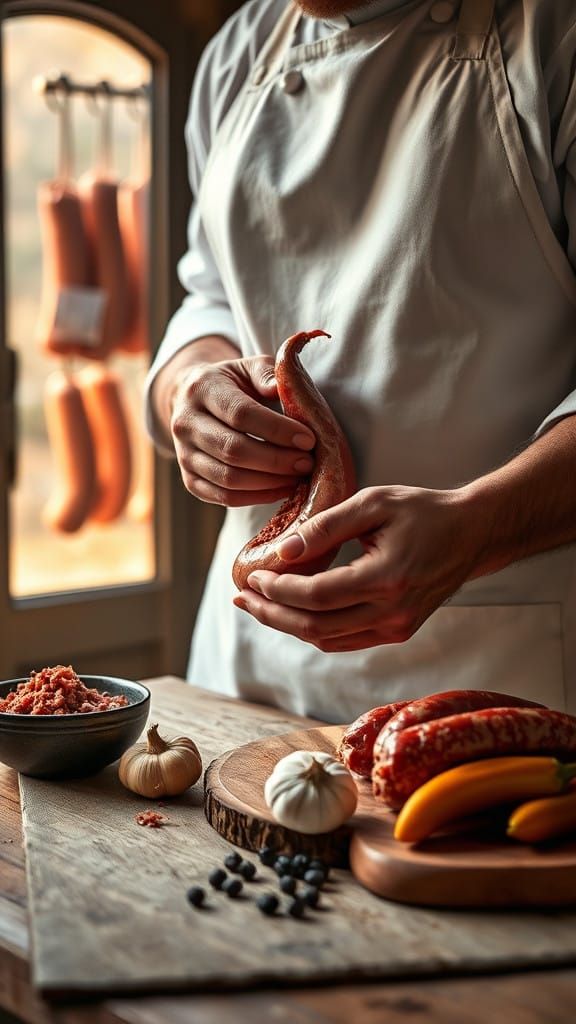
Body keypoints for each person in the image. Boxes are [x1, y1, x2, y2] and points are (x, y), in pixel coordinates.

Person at [146, 0, 576, 723]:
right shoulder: (237, 52)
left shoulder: (554, 33)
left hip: (498, 687)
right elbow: (210, 292)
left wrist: (483, 527)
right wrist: (188, 388)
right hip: (244, 677)